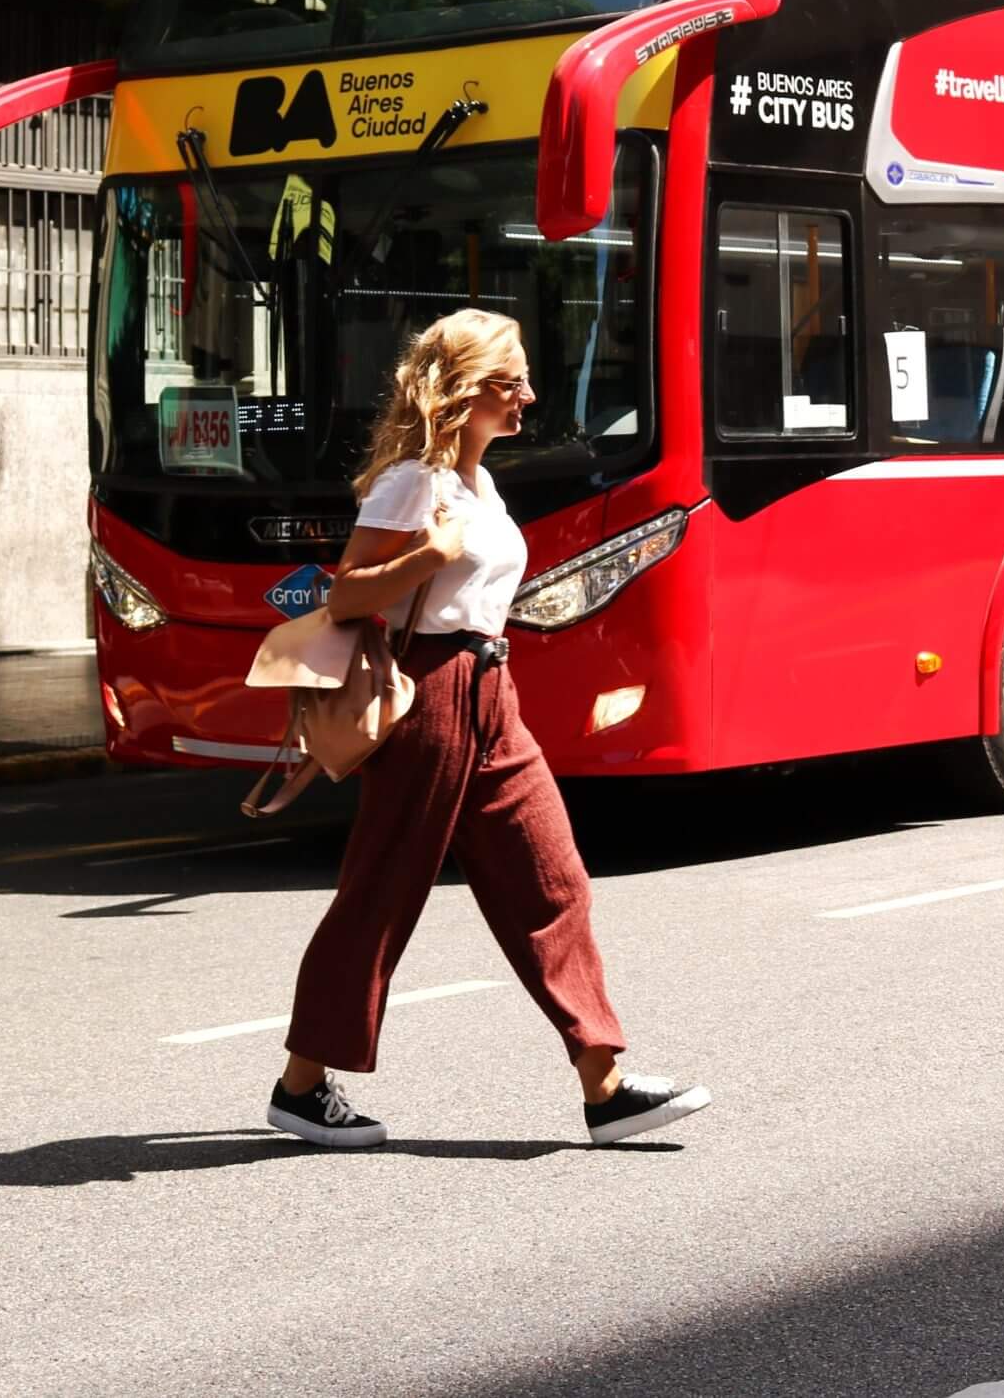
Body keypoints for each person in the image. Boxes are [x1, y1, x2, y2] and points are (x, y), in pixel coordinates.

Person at [265, 308, 709, 1149]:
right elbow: (350, 593)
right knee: (382, 893)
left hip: (490, 689)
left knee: (553, 875)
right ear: (466, 391)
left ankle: (604, 1084)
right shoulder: (412, 483)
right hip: (429, 692)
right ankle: (300, 1085)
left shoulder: (480, 483)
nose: (529, 397)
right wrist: (426, 559)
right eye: (513, 383)